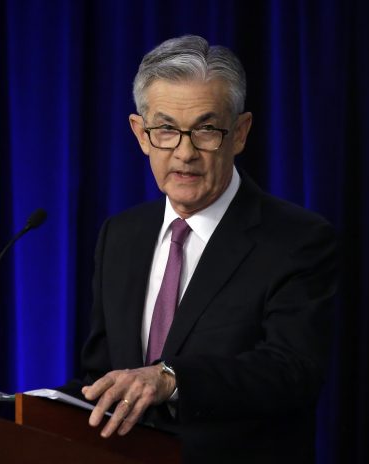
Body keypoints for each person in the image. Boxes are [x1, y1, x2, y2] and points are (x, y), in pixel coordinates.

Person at [72, 35, 338, 463]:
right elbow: (105, 380)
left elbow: (291, 370)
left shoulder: (298, 239)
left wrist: (170, 379)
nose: (185, 152)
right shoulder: (120, 236)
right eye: (166, 130)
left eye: (206, 130)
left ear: (240, 133)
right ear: (141, 134)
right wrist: (1, 410)